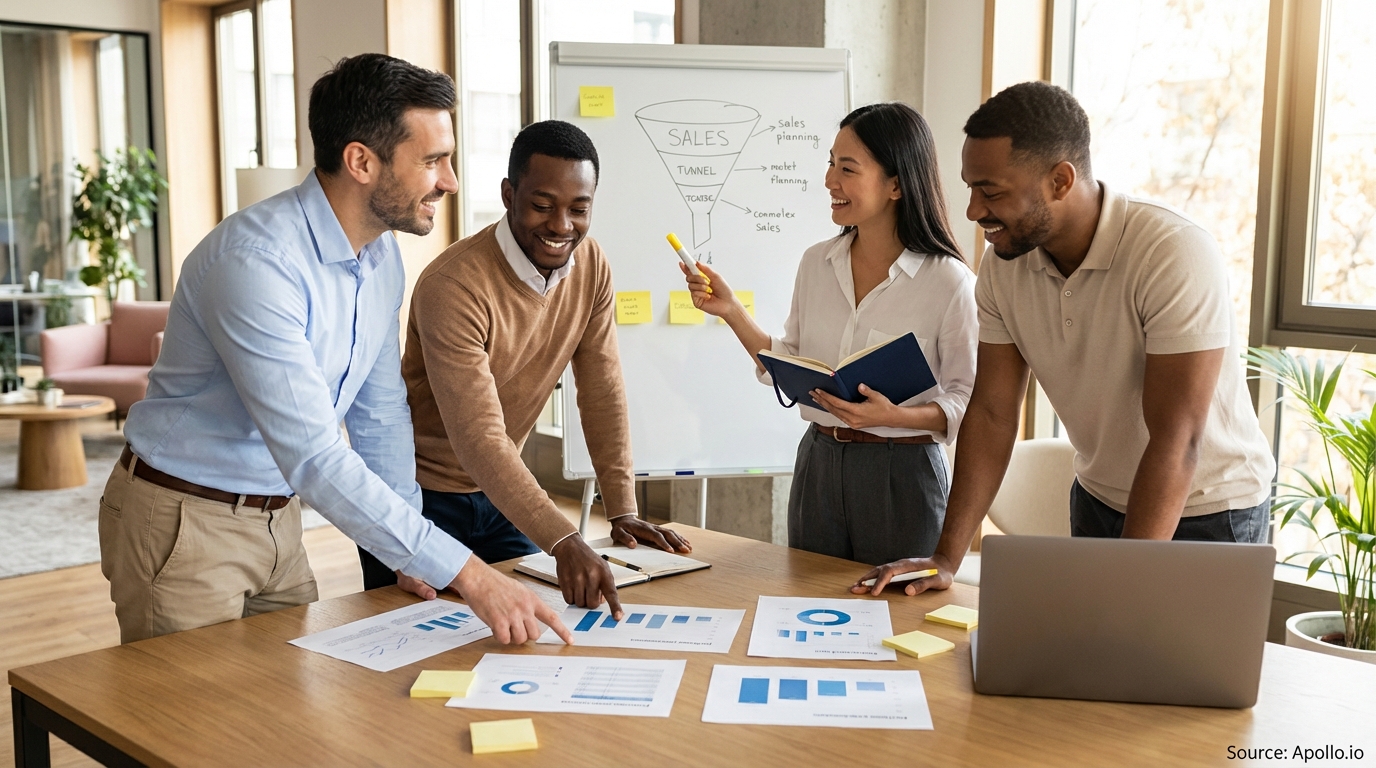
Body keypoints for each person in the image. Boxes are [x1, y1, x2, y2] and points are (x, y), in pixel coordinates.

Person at [100, 53, 571, 646]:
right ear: (361, 162)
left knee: (291, 720)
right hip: (183, 521)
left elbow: (379, 414)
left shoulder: (380, 259)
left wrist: (410, 550)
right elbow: (316, 455)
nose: (450, 181)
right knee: (189, 730)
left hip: (279, 519)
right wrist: (468, 572)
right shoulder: (256, 263)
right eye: (432, 160)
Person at [855, 81, 1276, 597]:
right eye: (970, 187)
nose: (972, 210)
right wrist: (946, 557)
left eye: (991, 191)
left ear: (1060, 180)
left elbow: (1178, 438)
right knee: (1094, 674)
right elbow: (991, 413)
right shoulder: (1004, 268)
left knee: (1178, 676)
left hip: (1210, 512)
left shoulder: (1172, 252)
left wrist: (1125, 581)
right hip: (1099, 500)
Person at [359, 120, 690, 618]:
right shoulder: (454, 285)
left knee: (533, 634)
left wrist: (622, 508)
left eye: (579, 209)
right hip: (418, 500)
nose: (561, 226)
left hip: (501, 496)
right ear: (509, 195)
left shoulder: (592, 265)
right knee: (408, 648)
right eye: (542, 205)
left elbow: (601, 389)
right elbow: (479, 437)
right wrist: (563, 538)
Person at [682, 102, 977, 565]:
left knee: (897, 616)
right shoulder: (816, 263)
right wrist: (731, 311)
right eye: (830, 164)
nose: (829, 181)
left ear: (896, 184)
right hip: (819, 462)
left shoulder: (949, 281)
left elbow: (966, 402)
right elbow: (789, 363)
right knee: (807, 609)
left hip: (901, 474)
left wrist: (894, 417)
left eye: (847, 168)